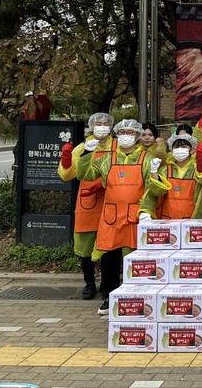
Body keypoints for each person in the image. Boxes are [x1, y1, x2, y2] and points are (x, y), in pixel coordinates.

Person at [76, 119, 154, 316]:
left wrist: (146, 210)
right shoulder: (106, 159)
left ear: (137, 136)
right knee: (109, 258)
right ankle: (110, 297)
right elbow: (85, 175)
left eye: (131, 132)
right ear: (117, 135)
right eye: (123, 132)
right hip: (111, 216)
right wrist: (86, 154)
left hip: (134, 216)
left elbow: (152, 188)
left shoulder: (147, 159)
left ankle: (134, 298)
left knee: (134, 259)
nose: (126, 135)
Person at [57, 112, 115, 301]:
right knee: (85, 245)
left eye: (106, 123)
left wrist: (104, 182)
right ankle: (89, 283)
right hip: (87, 202)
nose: (102, 127)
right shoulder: (82, 148)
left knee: (109, 245)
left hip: (111, 199)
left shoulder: (117, 147)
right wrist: (66, 158)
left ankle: (107, 284)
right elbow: (67, 175)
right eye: (98, 123)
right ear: (91, 126)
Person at [139, 134, 202, 220]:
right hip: (167, 220)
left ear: (192, 150)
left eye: (184, 147)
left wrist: (197, 221)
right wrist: (145, 211)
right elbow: (155, 192)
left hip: (190, 221)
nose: (179, 149)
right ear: (172, 150)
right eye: (176, 147)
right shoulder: (165, 170)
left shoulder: (197, 170)